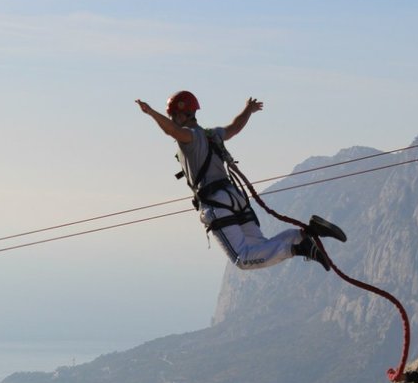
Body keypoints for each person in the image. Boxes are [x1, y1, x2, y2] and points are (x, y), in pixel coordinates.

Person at [136, 91, 346, 271]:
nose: (172, 120)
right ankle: (306, 233)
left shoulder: (188, 138)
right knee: (261, 247)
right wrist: (248, 110)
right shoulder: (212, 134)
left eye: (173, 116)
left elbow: (171, 131)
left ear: (183, 115)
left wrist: (151, 113)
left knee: (243, 259)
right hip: (235, 198)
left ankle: (299, 248)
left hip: (216, 203)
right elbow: (234, 127)